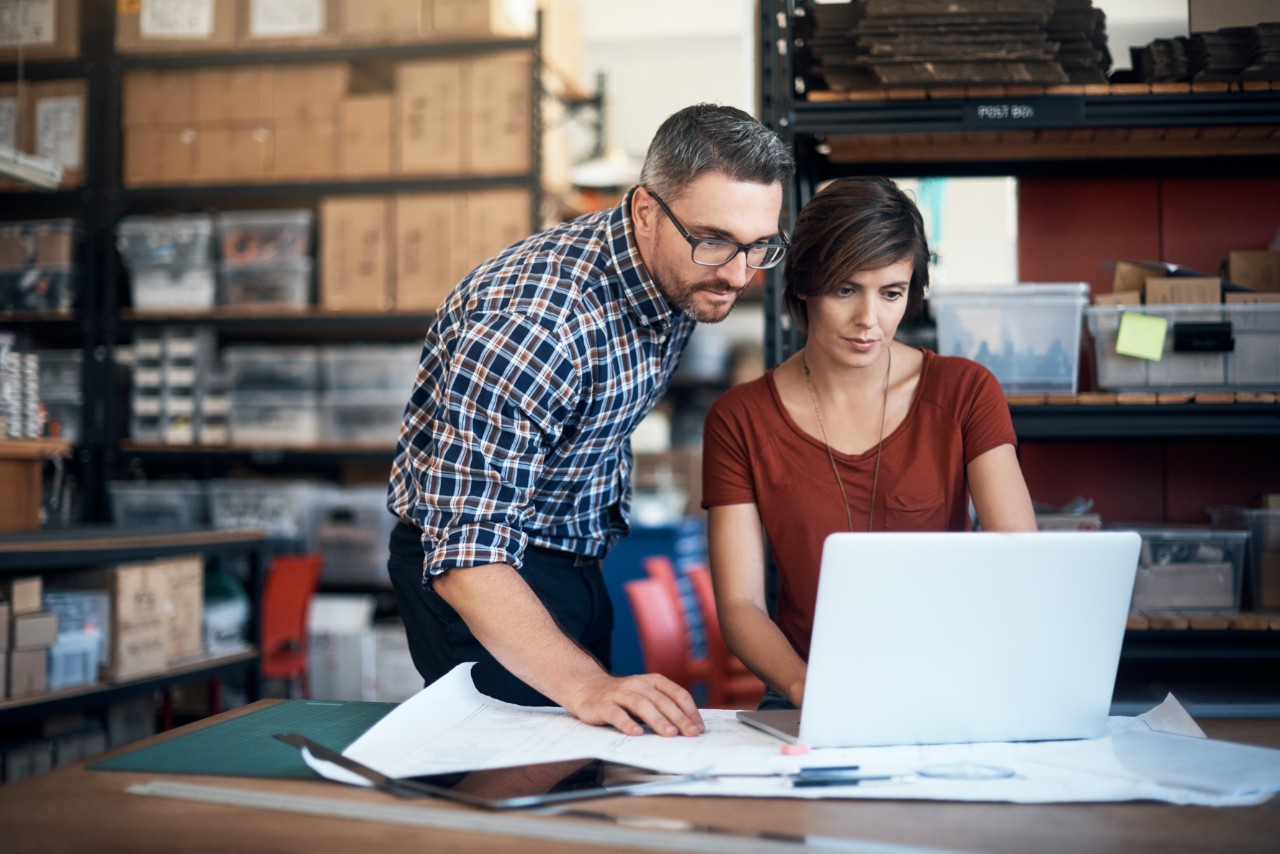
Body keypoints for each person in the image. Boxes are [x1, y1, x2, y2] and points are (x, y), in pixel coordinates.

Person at [386, 103, 796, 737]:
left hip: (575, 553)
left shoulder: (681, 271)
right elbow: (467, 548)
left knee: (586, 763)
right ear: (644, 212)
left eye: (758, 246)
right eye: (714, 240)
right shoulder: (536, 325)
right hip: (484, 573)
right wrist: (585, 684)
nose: (739, 274)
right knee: (511, 786)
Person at [701, 176, 1037, 711]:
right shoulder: (739, 420)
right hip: (805, 692)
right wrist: (802, 684)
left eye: (891, 293)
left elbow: (1020, 563)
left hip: (950, 684)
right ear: (805, 285)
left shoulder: (965, 392)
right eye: (844, 289)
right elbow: (741, 604)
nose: (869, 321)